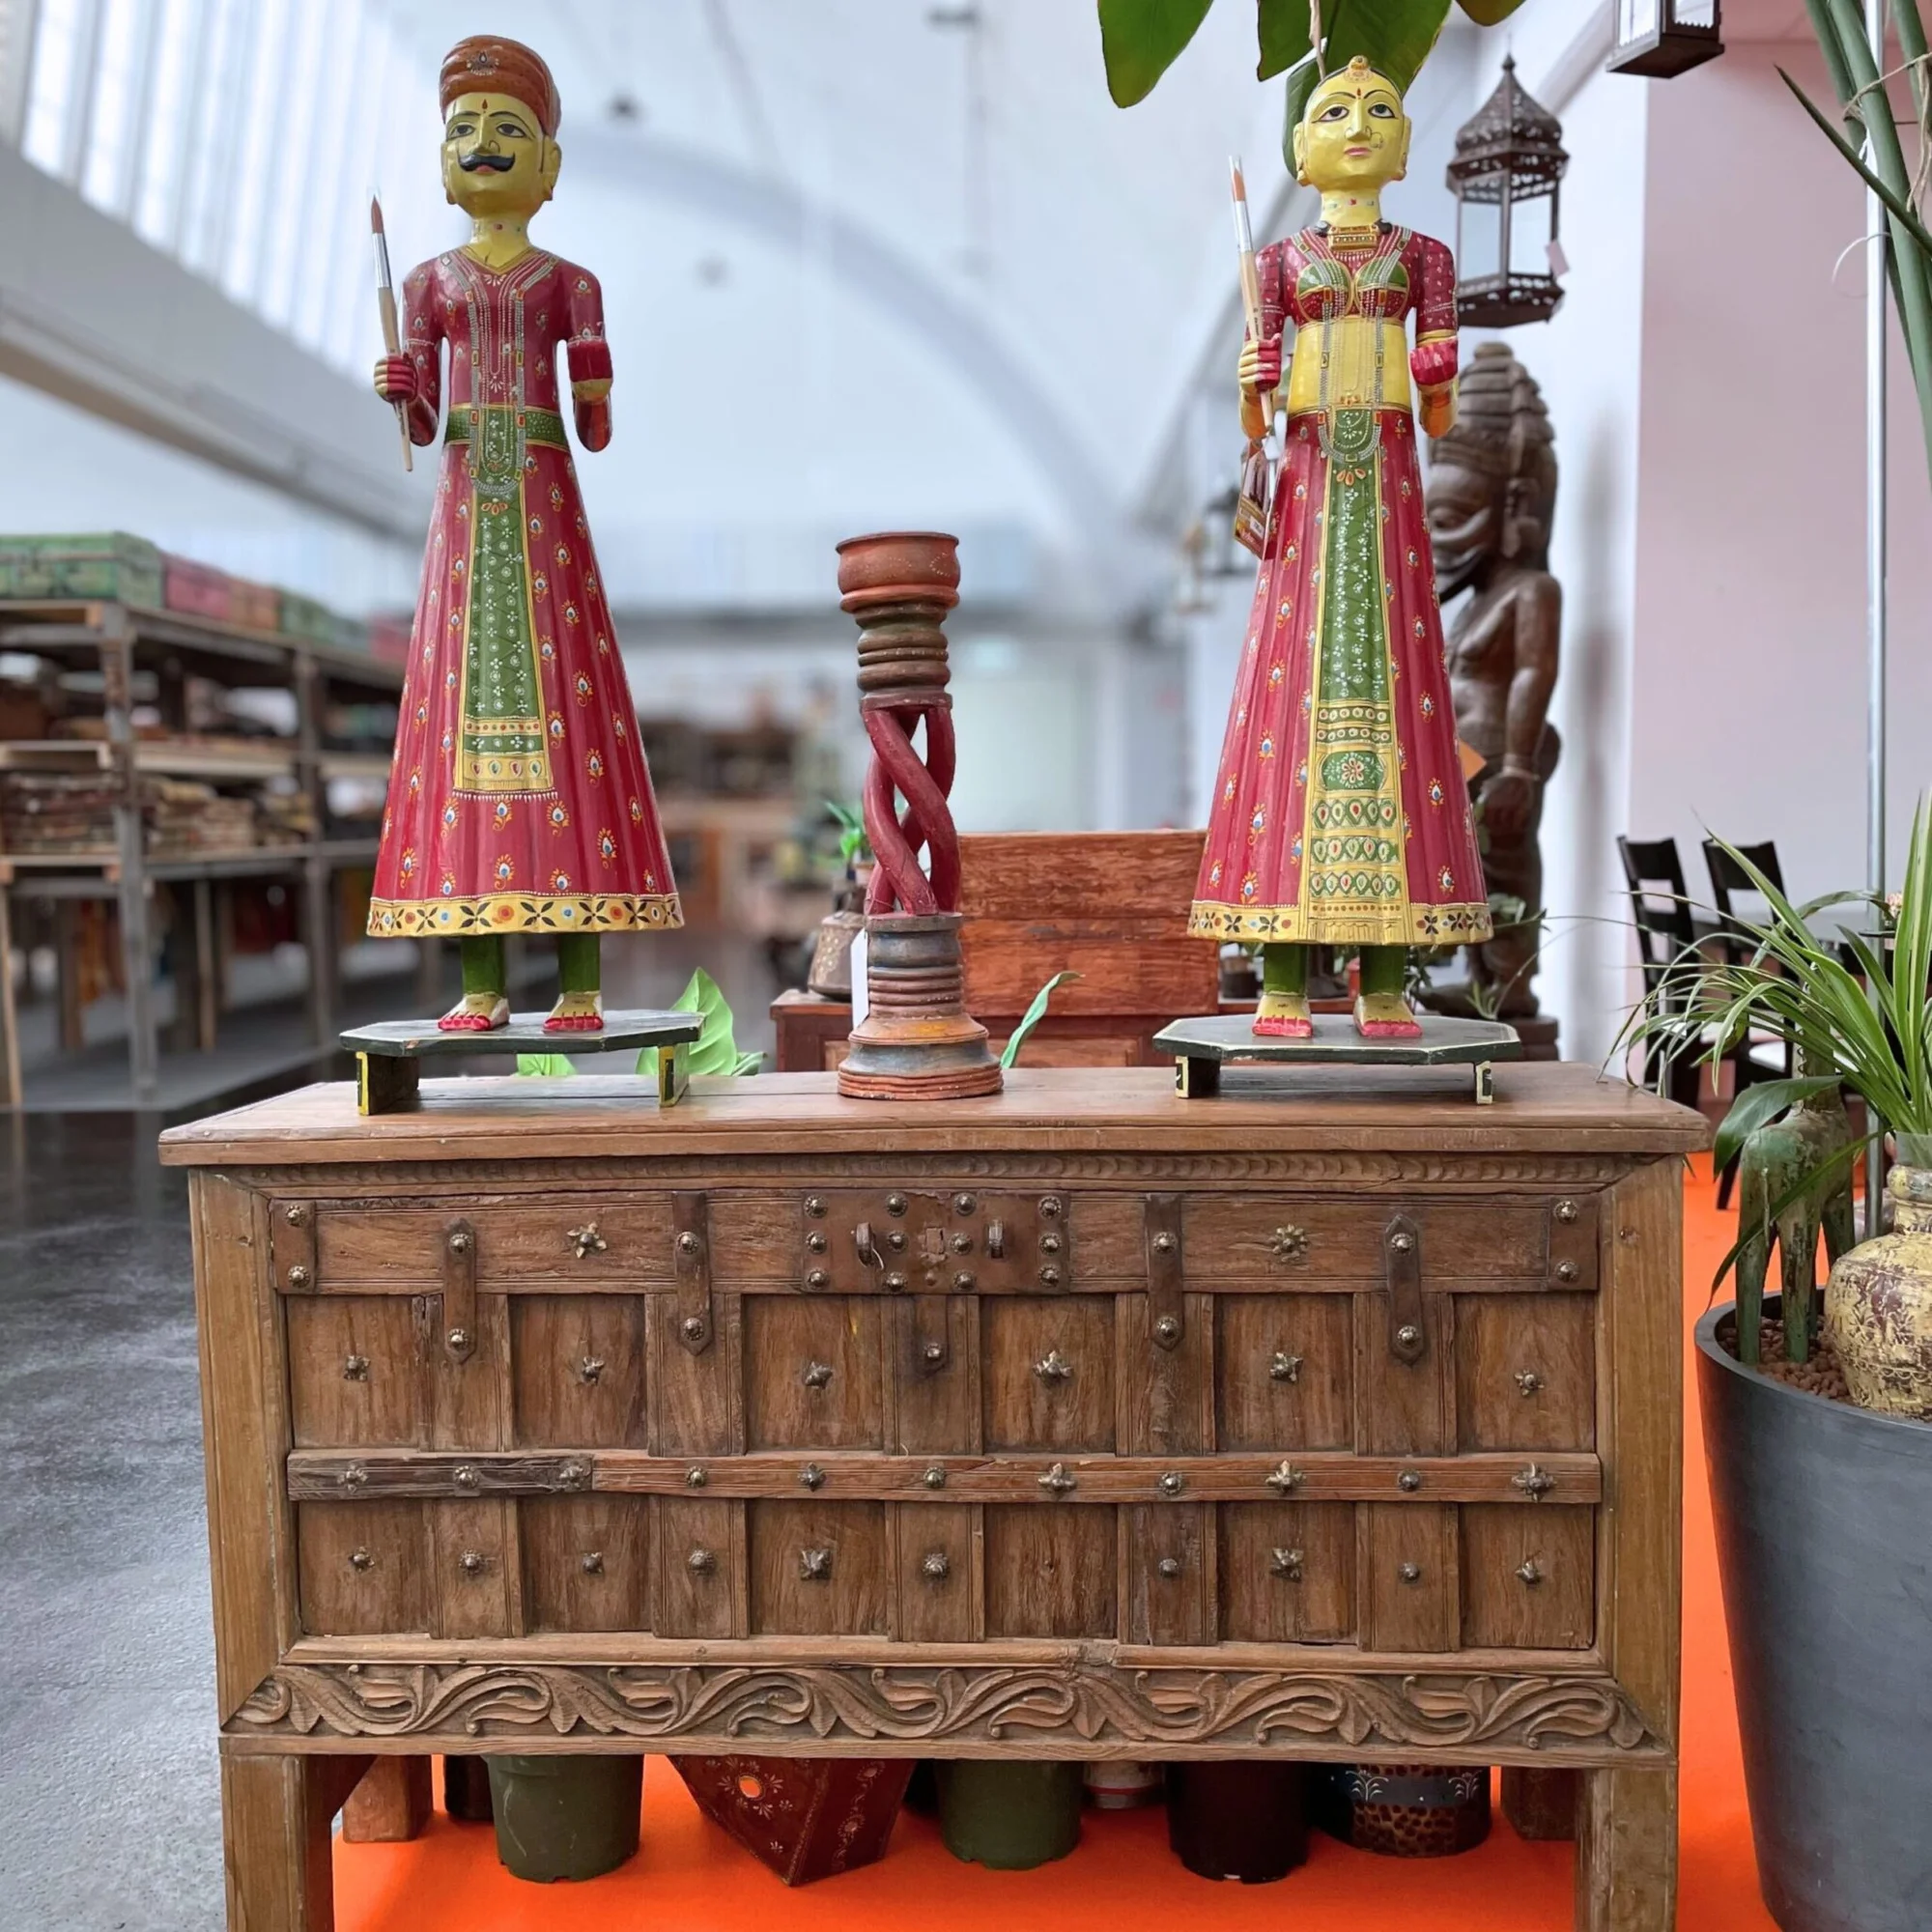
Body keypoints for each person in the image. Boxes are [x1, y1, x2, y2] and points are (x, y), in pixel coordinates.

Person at [368, 35, 678, 1033]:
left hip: (541, 502)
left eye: (509, 130)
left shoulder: (568, 281)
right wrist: (406, 390)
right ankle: (480, 986)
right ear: (440, 160)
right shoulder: (426, 284)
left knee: (569, 735)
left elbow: (592, 427)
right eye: (463, 129)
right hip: (467, 506)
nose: (484, 144)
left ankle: (580, 987)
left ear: (548, 165)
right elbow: (420, 429)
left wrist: (596, 370)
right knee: (461, 745)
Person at [1188, 58, 1491, 1038]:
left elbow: (1438, 405)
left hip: (1389, 491)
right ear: (1298, 149)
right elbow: (1258, 416)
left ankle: (1384, 982)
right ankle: (1280, 979)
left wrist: (1431, 363)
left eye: (1377, 111)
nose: (1355, 125)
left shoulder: (1425, 258)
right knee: (1287, 710)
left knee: (1403, 714)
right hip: (1313, 485)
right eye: (1331, 111)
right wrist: (1250, 377)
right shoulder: (1276, 264)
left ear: (1402, 146)